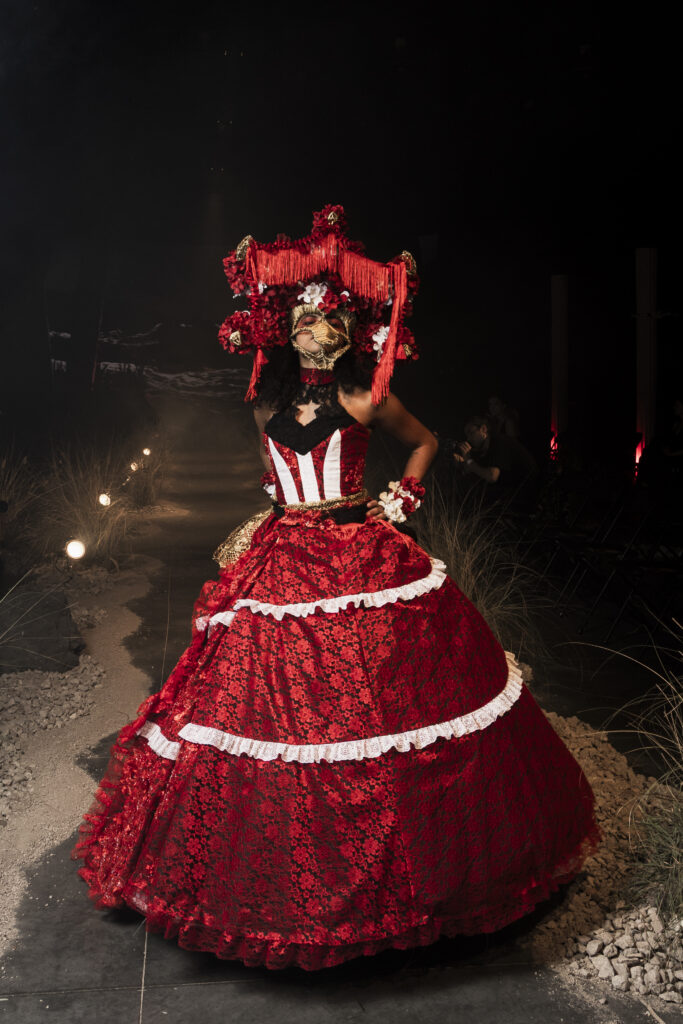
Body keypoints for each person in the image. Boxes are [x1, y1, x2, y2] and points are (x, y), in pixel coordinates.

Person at [74, 206, 598, 970]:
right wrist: (276, 507)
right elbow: (273, 471)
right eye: (302, 322)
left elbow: (424, 443)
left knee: (372, 701)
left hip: (358, 554)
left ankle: (400, 877)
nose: (313, 333)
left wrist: (400, 500)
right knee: (257, 708)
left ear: (349, 332)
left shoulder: (363, 400)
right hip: (283, 553)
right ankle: (279, 879)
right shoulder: (265, 403)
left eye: (326, 322)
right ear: (285, 332)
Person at [454, 414, 539, 506]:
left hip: (526, 493)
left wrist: (469, 462)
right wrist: (463, 463)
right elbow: (478, 471)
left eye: (471, 433)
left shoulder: (499, 442)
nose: (468, 439)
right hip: (514, 491)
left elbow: (492, 476)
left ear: (483, 429)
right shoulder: (485, 448)